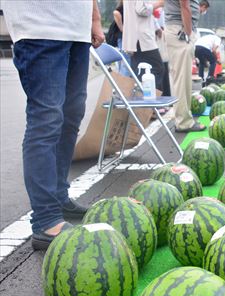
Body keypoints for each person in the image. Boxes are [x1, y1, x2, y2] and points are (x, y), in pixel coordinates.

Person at [2, 1, 105, 249]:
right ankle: (45, 218)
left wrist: (94, 18)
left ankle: (59, 196)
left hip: (76, 29)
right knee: (46, 119)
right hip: (38, 25)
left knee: (71, 116)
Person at [164, 0, 206, 132]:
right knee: (182, 80)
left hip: (177, 29)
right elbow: (185, 5)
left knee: (182, 78)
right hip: (180, 31)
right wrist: (188, 33)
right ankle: (184, 122)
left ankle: (183, 118)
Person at [123, 0, 165, 92]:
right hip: (142, 38)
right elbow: (142, 9)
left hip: (135, 38)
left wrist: (157, 27)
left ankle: (141, 102)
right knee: (157, 69)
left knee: (140, 72)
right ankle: (151, 102)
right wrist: (159, 4)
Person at [113, 1, 133, 77]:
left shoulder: (126, 6)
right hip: (124, 39)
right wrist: (123, 29)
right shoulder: (124, 7)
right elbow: (116, 13)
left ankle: (123, 84)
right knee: (126, 64)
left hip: (124, 38)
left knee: (125, 63)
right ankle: (123, 86)